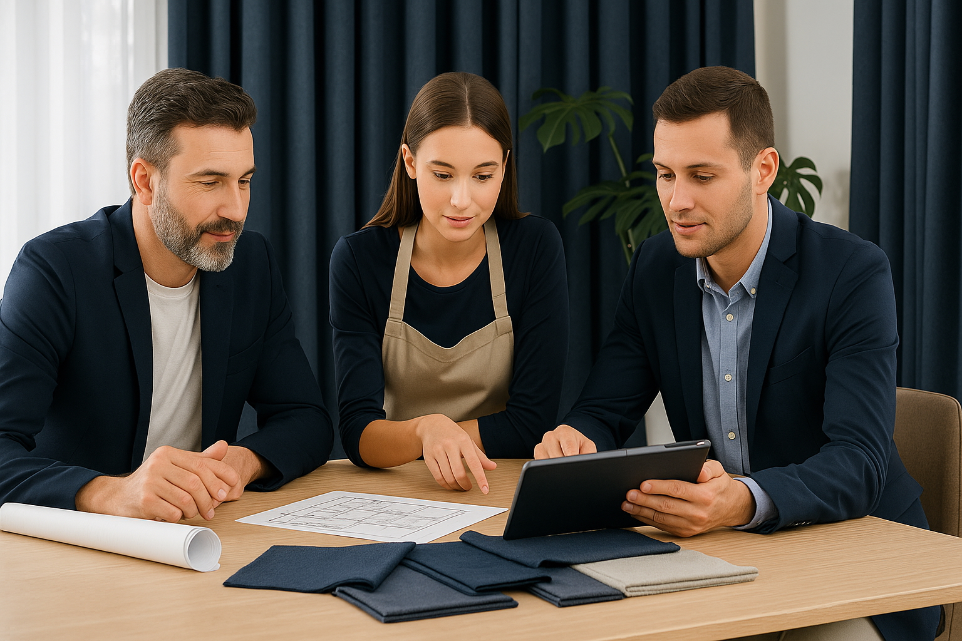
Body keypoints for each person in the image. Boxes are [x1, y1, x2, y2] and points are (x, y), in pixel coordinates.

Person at [535, 67, 938, 640]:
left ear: (762, 170)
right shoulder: (655, 268)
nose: (677, 201)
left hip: (855, 563)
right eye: (666, 174)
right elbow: (604, 409)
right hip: (721, 561)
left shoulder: (851, 272)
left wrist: (742, 501)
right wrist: (576, 437)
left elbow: (858, 462)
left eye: (702, 176)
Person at [0, 68, 334, 523]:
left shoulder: (249, 263)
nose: (235, 210)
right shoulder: (54, 270)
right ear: (144, 181)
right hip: (80, 541)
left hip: (198, 533)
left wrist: (244, 461)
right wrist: (111, 493)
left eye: (244, 180)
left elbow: (306, 419)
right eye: (210, 182)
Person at [330, 72, 568, 494]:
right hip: (399, 492)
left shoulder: (534, 248)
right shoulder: (360, 260)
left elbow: (531, 423)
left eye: (482, 176)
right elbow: (358, 432)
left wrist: (426, 438)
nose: (462, 200)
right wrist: (426, 431)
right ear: (409, 162)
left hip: (499, 484)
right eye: (442, 175)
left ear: (505, 167)